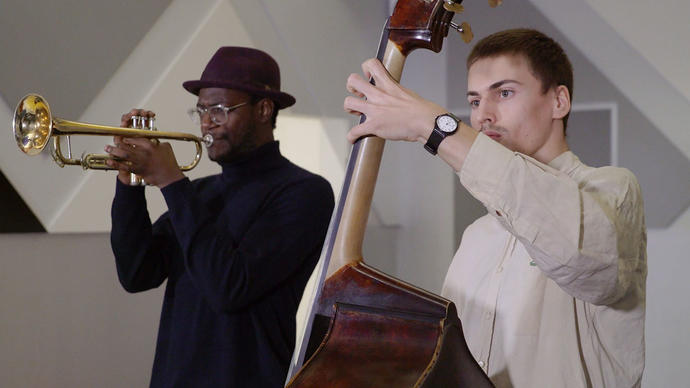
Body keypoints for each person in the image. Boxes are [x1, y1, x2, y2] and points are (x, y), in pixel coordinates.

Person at [344, 29, 646, 387]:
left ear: (559, 101)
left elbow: (582, 261)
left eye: (504, 93)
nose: (483, 115)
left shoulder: (611, 191)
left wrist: (434, 127)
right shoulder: (477, 236)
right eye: (473, 101)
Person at [106, 47, 334, 387]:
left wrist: (171, 182)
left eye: (220, 109)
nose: (206, 121)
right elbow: (137, 273)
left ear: (264, 109)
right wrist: (129, 186)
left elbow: (229, 287)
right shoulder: (199, 193)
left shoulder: (305, 192)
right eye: (201, 109)